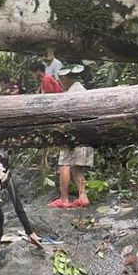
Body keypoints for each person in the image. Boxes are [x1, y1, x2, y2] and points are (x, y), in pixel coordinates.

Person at [49, 65, 95, 209]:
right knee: (76, 167)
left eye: (60, 79)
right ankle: (82, 196)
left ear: (66, 78)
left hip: (72, 135)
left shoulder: (72, 93)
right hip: (85, 134)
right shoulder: (82, 90)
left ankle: (64, 199)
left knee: (64, 164)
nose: (60, 83)